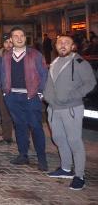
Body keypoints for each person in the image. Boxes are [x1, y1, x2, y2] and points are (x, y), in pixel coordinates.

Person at [43, 35, 96, 191]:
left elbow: (90, 83)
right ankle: (66, 168)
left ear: (73, 46)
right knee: (58, 138)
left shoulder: (80, 62)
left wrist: (72, 96)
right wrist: (47, 97)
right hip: (54, 108)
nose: (63, 45)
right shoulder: (54, 62)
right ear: (56, 46)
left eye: (67, 43)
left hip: (71, 108)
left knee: (74, 141)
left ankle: (80, 176)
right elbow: (49, 83)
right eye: (60, 43)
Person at [1, 26, 49, 171]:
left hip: (31, 96)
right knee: (20, 126)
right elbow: (3, 74)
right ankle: (23, 155)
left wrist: (40, 93)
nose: (19, 38)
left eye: (22, 35)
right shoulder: (7, 56)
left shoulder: (35, 54)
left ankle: (42, 159)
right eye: (16, 36)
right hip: (13, 97)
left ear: (25, 37)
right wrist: (5, 93)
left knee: (36, 127)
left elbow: (44, 75)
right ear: (11, 39)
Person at [0, 38, 14, 145]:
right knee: (4, 112)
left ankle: (24, 137)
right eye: (6, 42)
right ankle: (7, 136)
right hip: (1, 88)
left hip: (15, 89)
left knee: (17, 114)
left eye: (10, 42)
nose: (8, 44)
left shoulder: (18, 55)